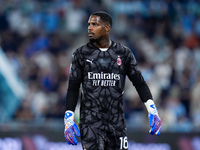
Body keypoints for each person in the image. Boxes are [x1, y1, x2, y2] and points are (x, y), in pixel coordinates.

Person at [64, 11, 161, 150]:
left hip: (116, 124)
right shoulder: (80, 54)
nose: (89, 28)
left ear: (107, 28)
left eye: (94, 24)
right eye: (89, 25)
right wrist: (68, 119)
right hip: (91, 124)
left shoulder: (124, 53)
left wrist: (152, 110)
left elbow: (139, 82)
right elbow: (73, 88)